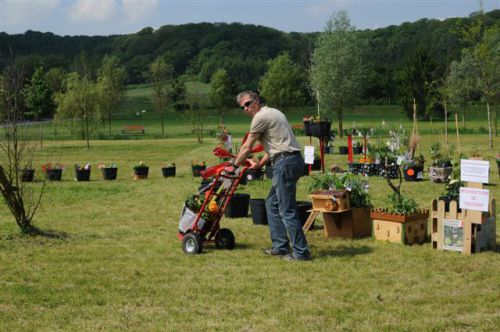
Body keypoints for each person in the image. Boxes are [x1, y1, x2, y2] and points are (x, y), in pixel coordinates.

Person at [230, 91, 311, 261]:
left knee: (286, 210)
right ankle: (281, 246)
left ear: (256, 101)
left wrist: (233, 166)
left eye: (247, 104)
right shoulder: (274, 112)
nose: (245, 109)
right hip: (291, 160)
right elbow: (277, 145)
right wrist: (260, 164)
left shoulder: (260, 117)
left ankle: (301, 252)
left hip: (285, 163)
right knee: (272, 204)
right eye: (242, 107)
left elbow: (246, 147)